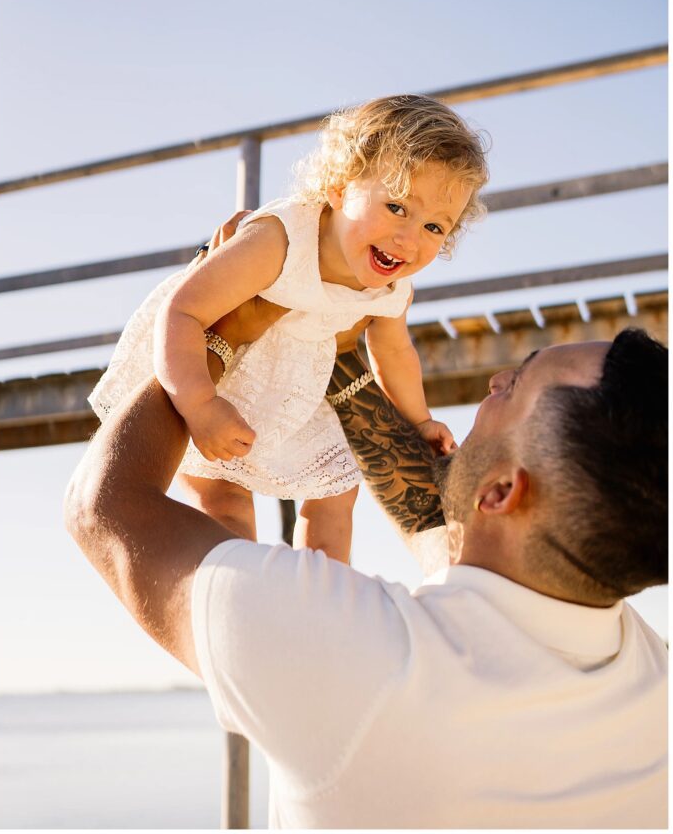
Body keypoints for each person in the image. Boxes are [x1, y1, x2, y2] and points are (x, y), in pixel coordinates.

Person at [65, 278, 668, 828]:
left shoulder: (364, 661)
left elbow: (104, 508)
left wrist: (216, 338)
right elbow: (441, 524)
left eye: (513, 387)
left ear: (503, 491)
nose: (495, 381)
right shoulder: (651, 680)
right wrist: (339, 358)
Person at [87, 94, 488, 561]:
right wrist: (200, 405)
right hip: (217, 369)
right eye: (397, 207)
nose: (409, 239)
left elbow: (394, 352)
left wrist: (418, 421)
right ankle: (235, 583)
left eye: (435, 228)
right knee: (223, 496)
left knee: (336, 491)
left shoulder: (392, 286)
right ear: (339, 186)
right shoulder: (280, 240)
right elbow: (183, 312)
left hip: (304, 384)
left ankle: (323, 588)